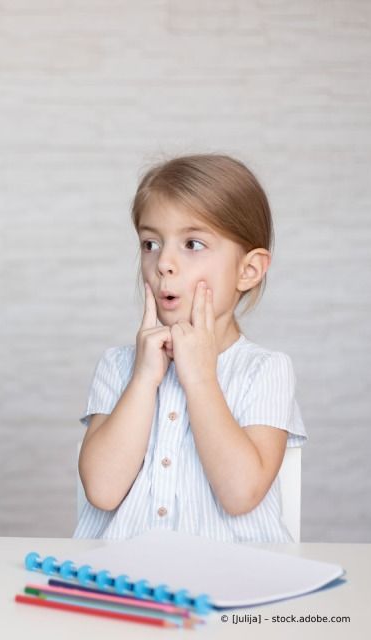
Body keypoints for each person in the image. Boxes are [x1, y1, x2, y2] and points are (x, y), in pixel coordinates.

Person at [75, 154, 305, 543]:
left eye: (193, 244)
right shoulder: (118, 366)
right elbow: (102, 489)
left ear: (248, 270)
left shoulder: (265, 370)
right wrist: (144, 379)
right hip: (128, 582)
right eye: (151, 243)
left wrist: (199, 378)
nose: (163, 262)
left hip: (237, 583)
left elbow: (240, 494)